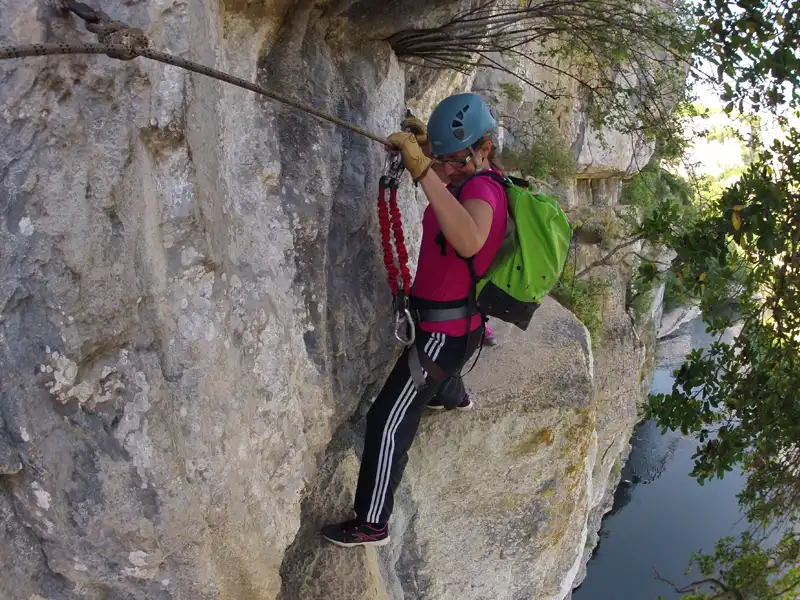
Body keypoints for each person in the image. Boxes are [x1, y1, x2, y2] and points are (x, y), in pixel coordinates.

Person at [321, 93, 508, 548]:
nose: (446, 170)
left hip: (445, 334)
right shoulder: (476, 175)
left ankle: (372, 522)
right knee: (438, 376)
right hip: (453, 329)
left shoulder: (483, 189)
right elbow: (451, 185)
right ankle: (455, 395)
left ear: (483, 149)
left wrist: (423, 169)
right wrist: (430, 152)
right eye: (442, 161)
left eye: (455, 161)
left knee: (387, 419)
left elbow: (467, 239)